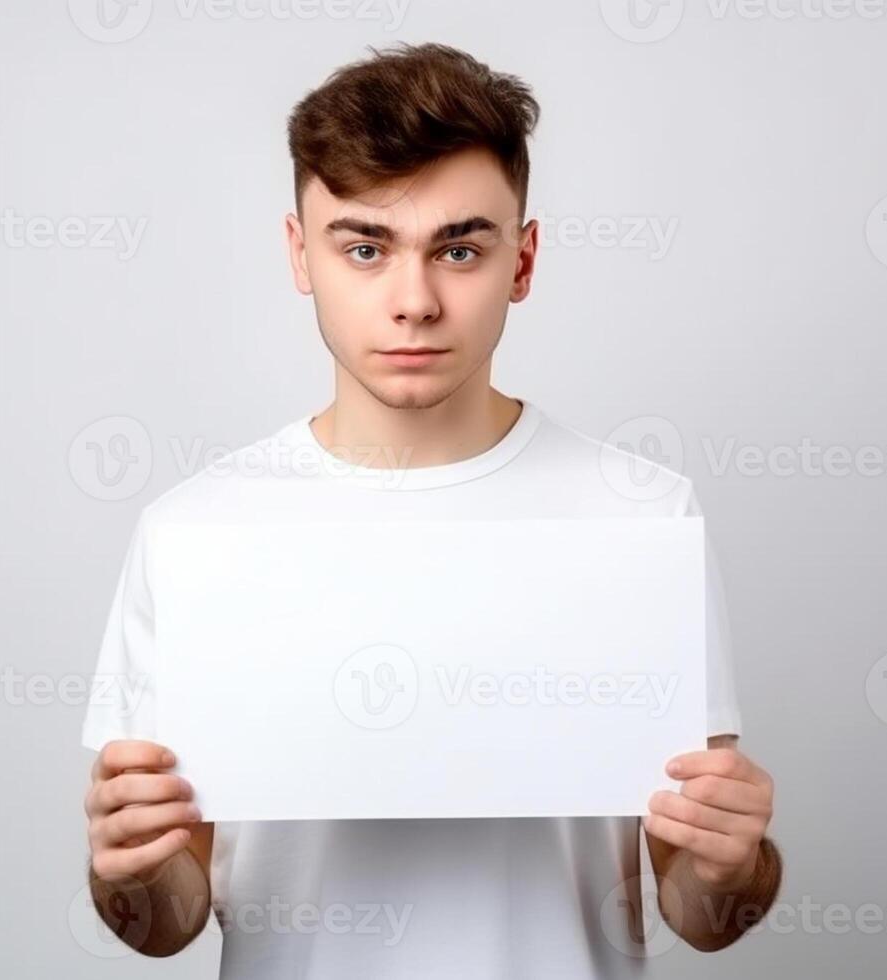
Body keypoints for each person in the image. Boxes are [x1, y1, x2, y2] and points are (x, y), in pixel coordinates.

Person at [79, 41, 781, 978]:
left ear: (521, 261)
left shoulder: (641, 518)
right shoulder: (198, 534)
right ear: (301, 255)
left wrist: (731, 859)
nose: (413, 302)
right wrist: (133, 870)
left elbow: (699, 908)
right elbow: (167, 919)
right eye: (365, 248)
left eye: (459, 249)